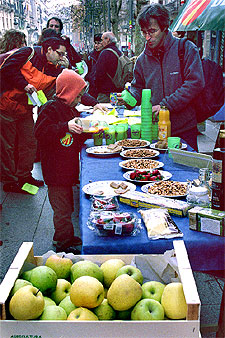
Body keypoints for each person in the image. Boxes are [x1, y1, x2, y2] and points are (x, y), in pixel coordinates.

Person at [118, 4, 205, 151]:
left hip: (184, 129)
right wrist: (129, 98)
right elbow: (138, 89)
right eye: (144, 32)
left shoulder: (185, 49)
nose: (147, 37)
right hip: (155, 130)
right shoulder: (142, 60)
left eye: (152, 31)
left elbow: (195, 83)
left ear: (164, 28)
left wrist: (166, 105)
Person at [0, 37, 67, 193]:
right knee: (7, 146)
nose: (62, 58)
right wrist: (24, 85)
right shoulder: (27, 52)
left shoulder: (55, 67)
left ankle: (24, 176)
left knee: (29, 142)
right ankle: (10, 181)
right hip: (6, 104)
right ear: (49, 49)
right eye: (60, 54)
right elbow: (7, 68)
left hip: (24, 108)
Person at [34, 69, 87, 254]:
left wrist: (87, 132)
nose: (79, 100)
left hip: (66, 170)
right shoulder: (50, 108)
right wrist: (65, 126)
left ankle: (67, 236)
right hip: (55, 171)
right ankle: (62, 242)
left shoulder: (71, 109)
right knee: (62, 210)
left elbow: (74, 137)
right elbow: (40, 132)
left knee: (68, 206)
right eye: (78, 95)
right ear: (68, 91)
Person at [95, 31, 123, 103]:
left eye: (102, 40)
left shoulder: (105, 53)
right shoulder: (119, 52)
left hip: (105, 93)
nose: (101, 43)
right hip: (118, 93)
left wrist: (97, 88)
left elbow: (98, 74)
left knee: (104, 112)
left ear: (107, 39)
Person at [85, 33, 103, 98]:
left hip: (102, 88)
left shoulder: (106, 55)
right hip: (92, 88)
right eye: (95, 43)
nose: (96, 45)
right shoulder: (91, 56)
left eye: (98, 43)